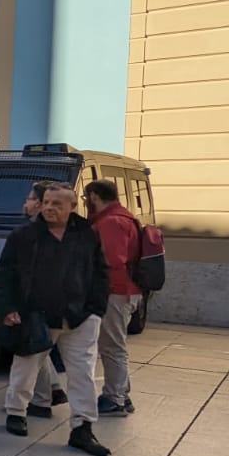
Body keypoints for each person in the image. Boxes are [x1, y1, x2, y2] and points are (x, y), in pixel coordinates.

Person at [0, 184, 111, 456]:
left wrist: (96, 310)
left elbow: (100, 272)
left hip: (79, 317)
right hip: (36, 314)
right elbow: (5, 273)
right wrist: (9, 307)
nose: (49, 207)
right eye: (47, 202)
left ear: (72, 206)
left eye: (57, 204)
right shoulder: (24, 235)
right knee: (26, 366)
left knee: (82, 373)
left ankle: (83, 428)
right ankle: (16, 412)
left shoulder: (86, 234)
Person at [85, 179, 142, 418]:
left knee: (112, 346)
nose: (86, 202)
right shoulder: (123, 217)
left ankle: (114, 398)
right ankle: (121, 393)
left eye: (86, 198)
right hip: (125, 290)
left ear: (95, 196)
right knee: (114, 345)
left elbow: (112, 260)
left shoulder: (111, 222)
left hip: (117, 292)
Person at [19, 181, 69, 417]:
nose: (25, 203)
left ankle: (38, 402)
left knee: (32, 352)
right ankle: (54, 389)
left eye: (29, 199)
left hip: (45, 306)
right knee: (40, 349)